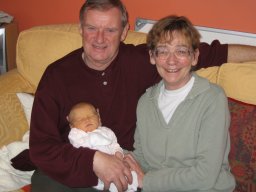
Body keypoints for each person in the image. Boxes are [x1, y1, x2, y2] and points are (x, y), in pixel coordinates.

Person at [28, 0, 255, 191]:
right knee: (42, 181)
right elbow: (41, 148)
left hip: (127, 171)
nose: (99, 38)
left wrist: (125, 166)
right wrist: (95, 160)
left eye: (110, 30)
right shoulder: (57, 75)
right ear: (80, 28)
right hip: (79, 166)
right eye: (91, 28)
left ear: (124, 32)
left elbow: (209, 52)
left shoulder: (140, 62)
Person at [124, 15, 236, 192]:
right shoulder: (145, 102)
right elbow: (142, 158)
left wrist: (148, 182)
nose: (171, 60)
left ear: (195, 57)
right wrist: (110, 154)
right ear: (152, 56)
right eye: (163, 51)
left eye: (181, 51)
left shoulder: (212, 98)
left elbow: (205, 176)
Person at [67, 102, 138, 192]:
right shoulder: (77, 135)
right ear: (73, 126)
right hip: (94, 170)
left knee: (131, 174)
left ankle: (132, 186)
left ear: (99, 118)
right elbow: (77, 146)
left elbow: (114, 144)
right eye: (80, 119)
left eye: (91, 115)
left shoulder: (106, 131)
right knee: (113, 183)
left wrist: (118, 154)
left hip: (116, 163)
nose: (87, 119)